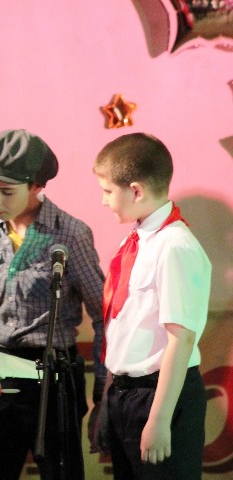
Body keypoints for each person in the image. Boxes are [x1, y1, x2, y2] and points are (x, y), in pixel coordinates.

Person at [0, 129, 106, 480]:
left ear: (36, 186)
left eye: (6, 191)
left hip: (53, 376)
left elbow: (104, 316)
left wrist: (102, 392)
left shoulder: (70, 233)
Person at [91, 133, 211, 479]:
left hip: (160, 396)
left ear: (136, 190)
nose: (103, 201)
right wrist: (109, 399)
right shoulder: (137, 240)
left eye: (108, 191)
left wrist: (159, 420)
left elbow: (181, 339)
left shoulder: (175, 246)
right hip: (126, 394)